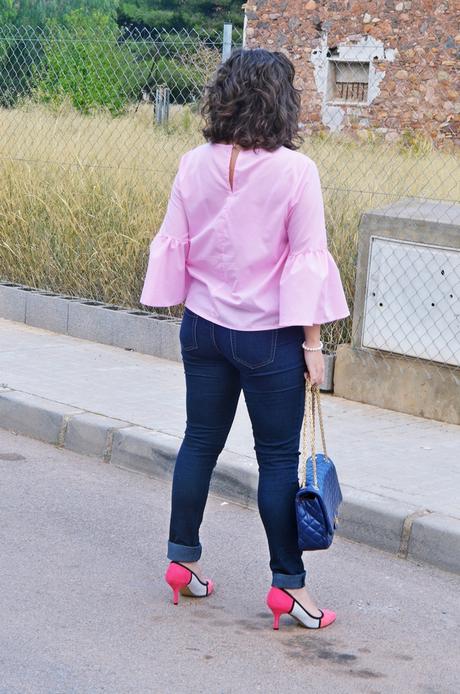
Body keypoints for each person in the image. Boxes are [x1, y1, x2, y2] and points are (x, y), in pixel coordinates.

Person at [139, 47, 350, 630]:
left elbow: (177, 244)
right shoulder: (295, 172)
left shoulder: (192, 163)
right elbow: (307, 262)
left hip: (202, 327)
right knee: (277, 461)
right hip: (270, 339)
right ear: (280, 101)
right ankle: (290, 587)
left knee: (198, 442)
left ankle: (182, 561)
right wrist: (314, 349)